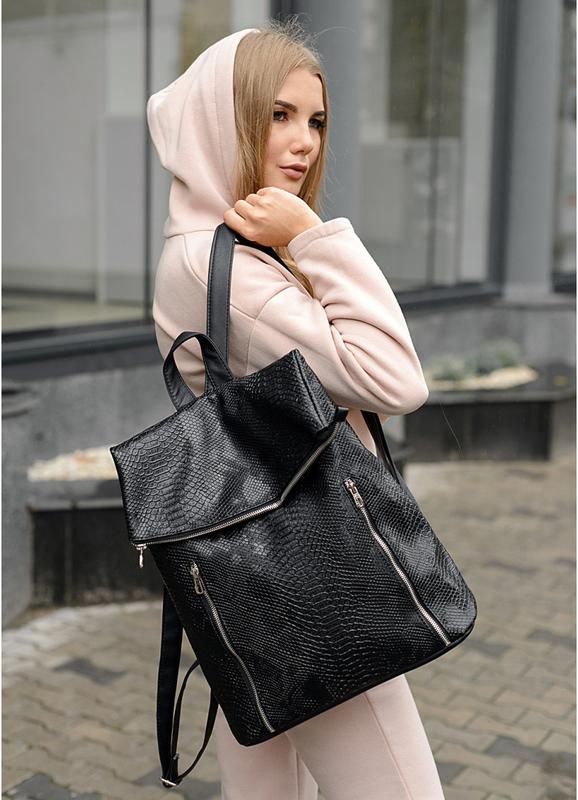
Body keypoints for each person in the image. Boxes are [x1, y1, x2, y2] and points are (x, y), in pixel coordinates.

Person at [147, 17, 445, 800]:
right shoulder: (227, 266)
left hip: (259, 575)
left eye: (315, 121)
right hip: (314, 577)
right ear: (224, 119)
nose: (303, 142)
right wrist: (316, 235)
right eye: (278, 115)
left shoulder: (215, 248)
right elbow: (394, 378)